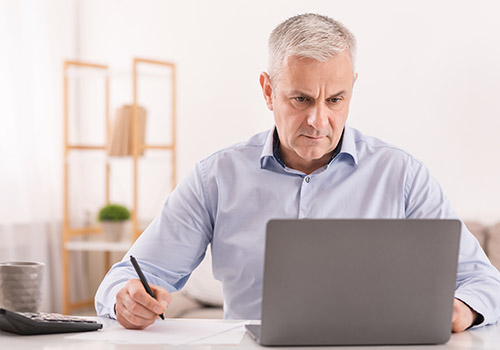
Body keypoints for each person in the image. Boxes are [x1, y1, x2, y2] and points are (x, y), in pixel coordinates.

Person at [95, 13, 500, 332]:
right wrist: (125, 300)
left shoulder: (402, 175)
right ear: (268, 91)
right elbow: (126, 279)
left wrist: (463, 309)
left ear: (352, 88)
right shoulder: (216, 177)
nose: (319, 120)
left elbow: (486, 283)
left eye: (336, 99)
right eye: (301, 99)